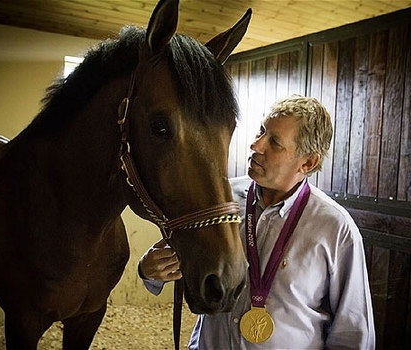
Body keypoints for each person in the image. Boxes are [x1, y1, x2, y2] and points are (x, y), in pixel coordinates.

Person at [138, 94, 375, 349]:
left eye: (274, 142)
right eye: (262, 131)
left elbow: (353, 334)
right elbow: (179, 257)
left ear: (308, 162)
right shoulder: (221, 198)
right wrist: (150, 271)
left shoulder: (336, 229)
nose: (256, 145)